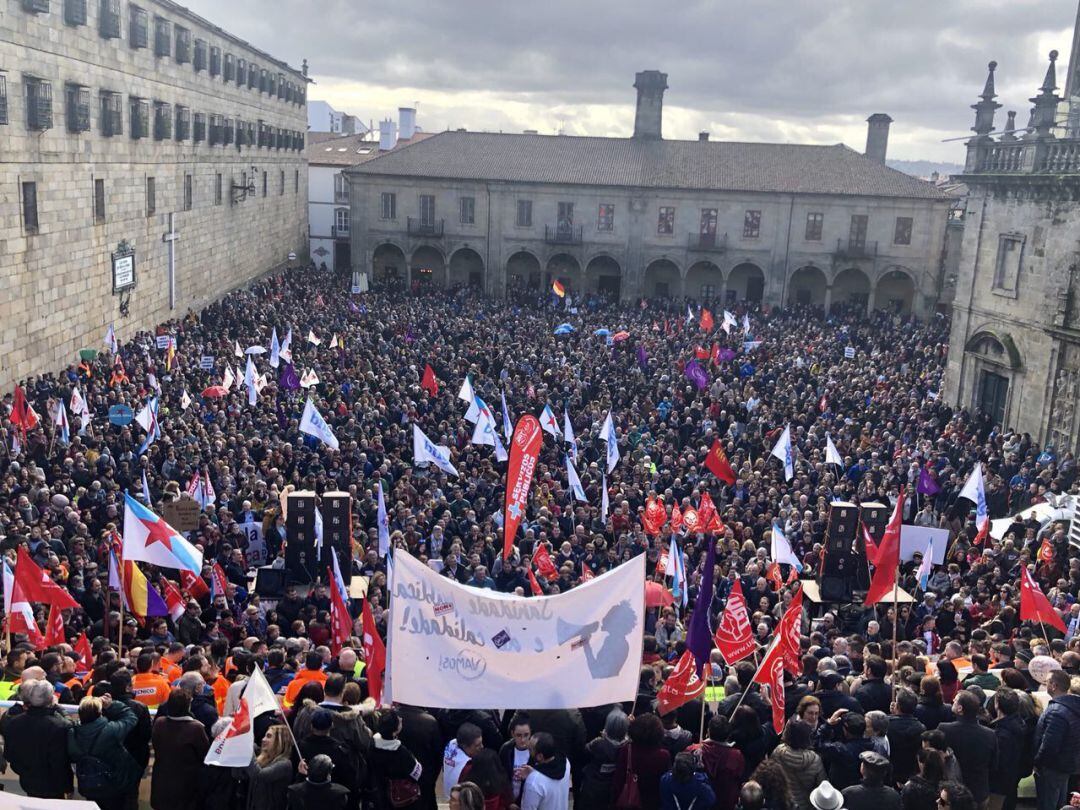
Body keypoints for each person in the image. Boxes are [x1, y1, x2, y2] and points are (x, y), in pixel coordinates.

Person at [2, 679, 73, 799]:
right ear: (51, 700)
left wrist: (24, 771)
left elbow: (10, 754)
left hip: (27, 780)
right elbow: (59, 762)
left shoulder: (14, 722)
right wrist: (67, 787)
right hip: (54, 785)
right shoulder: (59, 726)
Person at [68, 693, 140, 810]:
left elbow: (73, 756)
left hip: (90, 785)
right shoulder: (110, 730)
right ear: (100, 713)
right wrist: (112, 705)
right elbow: (131, 718)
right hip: (115, 785)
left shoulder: (72, 733)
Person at [150, 688, 211, 810]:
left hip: (162, 780)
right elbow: (205, 755)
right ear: (188, 706)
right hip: (186, 784)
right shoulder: (196, 728)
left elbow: (156, 745)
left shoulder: (159, 723)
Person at [938, 690, 997, 807]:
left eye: (955, 701)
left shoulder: (944, 729)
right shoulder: (990, 734)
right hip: (979, 792)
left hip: (951, 793)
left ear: (960, 708)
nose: (952, 701)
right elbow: (994, 765)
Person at [1033, 669, 1080, 810]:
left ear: (1053, 685)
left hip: (1052, 767)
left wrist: (1038, 763)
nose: (1045, 684)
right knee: (1059, 802)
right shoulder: (1072, 705)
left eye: (1047, 682)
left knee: (1048, 804)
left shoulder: (1056, 711)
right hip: (1067, 763)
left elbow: (1050, 745)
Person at [612, 714, 672, 810]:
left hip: (629, 801)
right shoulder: (663, 755)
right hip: (652, 801)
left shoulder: (627, 750)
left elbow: (618, 779)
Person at [371, 708, 424, 810]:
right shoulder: (401, 752)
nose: (400, 719)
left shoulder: (371, 744)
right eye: (398, 720)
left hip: (378, 795)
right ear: (395, 729)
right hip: (398, 799)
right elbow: (417, 773)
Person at [690, 714, 745, 810]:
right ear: (728, 735)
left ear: (708, 731)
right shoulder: (736, 756)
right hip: (725, 803)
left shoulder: (693, 750)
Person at [771, 719, 827, 810]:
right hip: (805, 805)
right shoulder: (815, 760)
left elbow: (771, 776)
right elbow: (822, 785)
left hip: (783, 803)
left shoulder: (778, 752)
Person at [581, 709, 628, 810]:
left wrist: (602, 738)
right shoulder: (626, 746)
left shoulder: (598, 744)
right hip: (613, 785)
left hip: (593, 786)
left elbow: (585, 750)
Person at [987, 689, 1025, 810]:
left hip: (999, 784)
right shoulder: (1020, 723)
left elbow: (999, 763)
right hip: (1012, 779)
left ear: (997, 705)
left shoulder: (1002, 734)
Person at [247, 724, 296, 810]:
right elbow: (238, 775)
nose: (263, 739)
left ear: (280, 741)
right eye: (265, 736)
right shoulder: (261, 757)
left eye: (268, 736)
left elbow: (260, 775)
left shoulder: (285, 764)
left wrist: (248, 749)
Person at [886, 688, 926, 786]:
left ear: (897, 706)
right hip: (911, 773)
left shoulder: (887, 725)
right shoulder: (921, 728)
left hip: (891, 772)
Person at [521, 732, 571, 810]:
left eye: (530, 749)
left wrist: (533, 776)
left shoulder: (534, 782)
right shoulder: (566, 763)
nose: (527, 747)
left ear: (540, 756)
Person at [502, 713, 537, 806]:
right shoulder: (506, 750)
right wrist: (508, 801)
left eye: (526, 735)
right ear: (512, 734)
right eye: (519, 735)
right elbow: (502, 778)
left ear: (531, 733)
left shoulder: (536, 752)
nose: (523, 740)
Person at [444, 722, 485, 799]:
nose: (482, 747)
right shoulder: (467, 767)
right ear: (465, 746)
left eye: (481, 743)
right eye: (477, 745)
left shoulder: (452, 744)